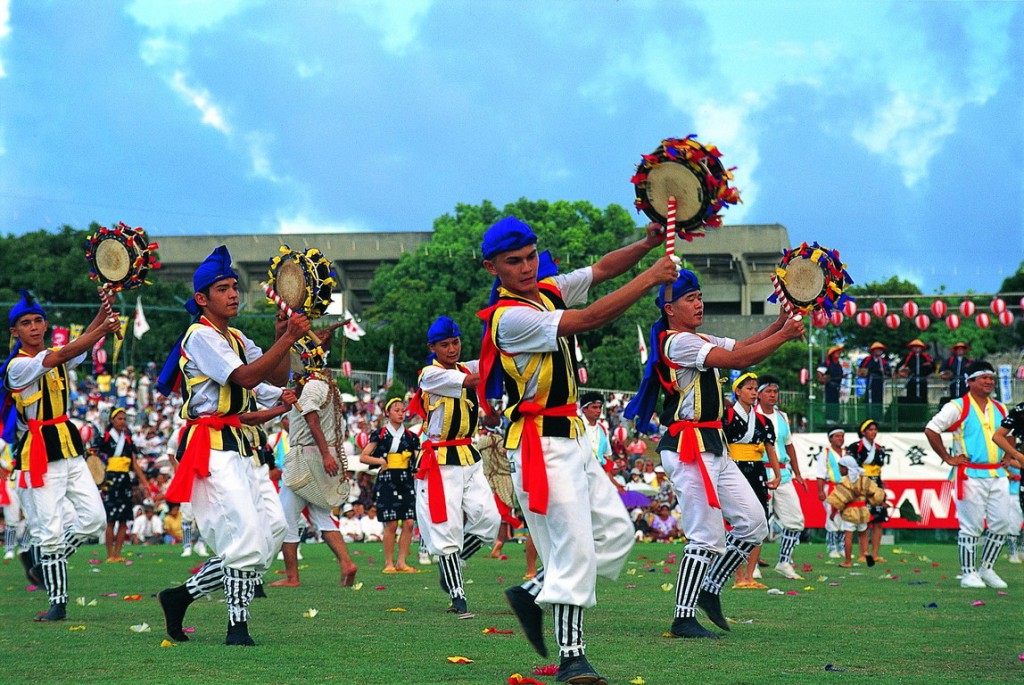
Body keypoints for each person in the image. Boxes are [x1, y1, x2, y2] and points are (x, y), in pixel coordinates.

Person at [477, 214, 677, 681]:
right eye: (515, 262)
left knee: (619, 536)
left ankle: (533, 591)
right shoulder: (511, 318)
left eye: (531, 257)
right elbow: (590, 318)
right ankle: (572, 659)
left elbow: (601, 270)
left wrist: (645, 246)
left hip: (572, 438)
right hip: (540, 444)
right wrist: (651, 278)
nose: (527, 267)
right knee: (575, 551)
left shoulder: (545, 290)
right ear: (493, 268)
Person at [623, 270, 804, 639]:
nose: (700, 303)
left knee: (755, 524)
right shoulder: (677, 343)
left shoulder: (697, 338)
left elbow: (740, 348)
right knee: (704, 535)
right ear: (670, 309)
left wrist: (779, 324)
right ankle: (683, 616)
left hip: (713, 445)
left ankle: (709, 588)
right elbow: (737, 362)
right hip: (689, 447)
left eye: (701, 296)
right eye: (691, 299)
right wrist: (784, 335)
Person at [153, 245, 309, 646]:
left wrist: (282, 339)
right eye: (223, 288)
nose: (234, 294)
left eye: (235, 287)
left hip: (243, 445)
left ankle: (180, 596)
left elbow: (275, 377)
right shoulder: (200, 336)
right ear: (203, 299)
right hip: (211, 447)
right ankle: (236, 628)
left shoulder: (235, 335)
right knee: (243, 539)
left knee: (273, 529)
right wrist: (288, 336)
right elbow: (243, 378)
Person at [2, 290, 117, 621]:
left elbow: (77, 345)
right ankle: (58, 602)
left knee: (95, 519)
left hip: (67, 443)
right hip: (38, 449)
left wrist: (102, 310)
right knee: (50, 529)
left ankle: (43, 563)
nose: (35, 327)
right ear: (15, 332)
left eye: (39, 321)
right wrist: (102, 329)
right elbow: (63, 354)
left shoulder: (57, 351)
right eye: (26, 323)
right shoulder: (18, 366)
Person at [411, 316, 500, 618]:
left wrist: (500, 331)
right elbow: (478, 377)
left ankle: (453, 564)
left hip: (468, 455)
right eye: (445, 344)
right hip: (440, 460)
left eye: (456, 342)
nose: (452, 349)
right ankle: (457, 594)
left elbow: (493, 360)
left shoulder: (465, 367)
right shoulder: (430, 375)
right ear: (432, 347)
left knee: (490, 520)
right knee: (445, 528)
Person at [271, 337, 358, 588]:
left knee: (285, 517)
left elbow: (312, 421)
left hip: (307, 458)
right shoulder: (325, 384)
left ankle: (292, 577)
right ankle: (346, 563)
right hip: (319, 456)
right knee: (321, 516)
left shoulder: (311, 387)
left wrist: (326, 455)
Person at [924, 361, 1011, 589]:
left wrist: (1010, 456)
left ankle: (987, 568)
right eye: (983, 377)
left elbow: (1011, 432)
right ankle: (968, 573)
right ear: (970, 381)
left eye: (991, 378)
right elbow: (932, 429)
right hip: (970, 474)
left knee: (1002, 522)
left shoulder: (1001, 408)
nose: (989, 381)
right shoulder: (958, 406)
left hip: (998, 473)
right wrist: (947, 457)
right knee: (971, 526)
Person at [722, 372, 782, 590]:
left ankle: (750, 575)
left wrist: (777, 474)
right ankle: (738, 576)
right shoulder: (726, 416)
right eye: (749, 388)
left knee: (760, 520)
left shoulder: (763, 421)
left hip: (757, 470)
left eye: (755, 388)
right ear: (737, 391)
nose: (754, 392)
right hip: (733, 468)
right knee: (736, 521)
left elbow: (770, 448)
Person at [755, 375, 806, 580]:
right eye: (768, 391)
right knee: (758, 523)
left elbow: (789, 445)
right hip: (759, 474)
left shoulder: (782, 416)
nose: (773, 395)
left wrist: (798, 473)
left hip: (783, 475)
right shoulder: (751, 415)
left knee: (795, 521)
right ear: (758, 394)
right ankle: (752, 567)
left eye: (775, 391)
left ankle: (784, 562)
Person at [359, 398, 419, 572]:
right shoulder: (381, 433)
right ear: (387, 413)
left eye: (403, 410)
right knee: (391, 523)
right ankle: (389, 562)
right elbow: (364, 456)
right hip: (387, 479)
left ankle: (402, 561)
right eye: (397, 410)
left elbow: (418, 458)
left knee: (408, 522)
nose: (401, 413)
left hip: (406, 479)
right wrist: (379, 461)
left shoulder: (411, 436)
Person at [94, 407, 150, 562]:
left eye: (124, 419)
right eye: (119, 418)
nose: (122, 422)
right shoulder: (104, 437)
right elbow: (93, 457)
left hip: (125, 480)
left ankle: (118, 554)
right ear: (112, 420)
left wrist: (145, 482)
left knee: (124, 519)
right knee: (111, 519)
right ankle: (110, 554)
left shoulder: (128, 438)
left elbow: (134, 463)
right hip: (110, 480)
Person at [826, 456, 885, 568]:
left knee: (848, 536)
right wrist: (875, 502)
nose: (839, 470)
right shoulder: (864, 480)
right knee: (863, 534)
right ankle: (866, 554)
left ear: (846, 468)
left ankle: (848, 561)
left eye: (841, 468)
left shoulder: (845, 482)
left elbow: (838, 500)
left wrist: (833, 513)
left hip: (850, 513)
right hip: (863, 511)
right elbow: (876, 493)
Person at [847, 420, 889, 563]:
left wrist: (882, 489)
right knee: (863, 520)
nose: (873, 432)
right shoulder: (855, 448)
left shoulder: (879, 449)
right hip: (862, 484)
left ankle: (875, 554)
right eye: (870, 429)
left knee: (878, 520)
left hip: (876, 484)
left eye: (875, 429)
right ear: (863, 432)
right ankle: (864, 553)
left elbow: (879, 469)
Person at [992, 405, 1024, 564]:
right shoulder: (1010, 450)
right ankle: (1013, 552)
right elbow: (1006, 462)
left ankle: (1021, 550)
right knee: (1013, 521)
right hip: (1013, 489)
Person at [816, 428, 847, 559]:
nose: (840, 438)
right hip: (832, 488)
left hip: (846, 489)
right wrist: (820, 490)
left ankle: (843, 546)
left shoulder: (847, 453)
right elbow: (820, 474)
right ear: (830, 439)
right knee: (832, 516)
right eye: (837, 436)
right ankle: (832, 547)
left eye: (842, 436)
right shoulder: (825, 453)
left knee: (846, 517)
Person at [896, 339, 935, 405]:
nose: (916, 348)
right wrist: (902, 373)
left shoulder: (925, 357)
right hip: (911, 379)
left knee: (923, 396)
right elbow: (898, 366)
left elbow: (933, 367)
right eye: (914, 347)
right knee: (911, 396)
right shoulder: (908, 357)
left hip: (922, 379)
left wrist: (928, 372)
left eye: (918, 347)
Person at [817, 344, 845, 424]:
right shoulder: (828, 363)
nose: (839, 353)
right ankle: (829, 419)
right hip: (830, 385)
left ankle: (835, 419)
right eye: (837, 352)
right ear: (832, 354)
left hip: (837, 386)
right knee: (830, 402)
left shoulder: (839, 364)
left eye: (840, 352)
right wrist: (822, 379)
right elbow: (819, 371)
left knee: (836, 403)